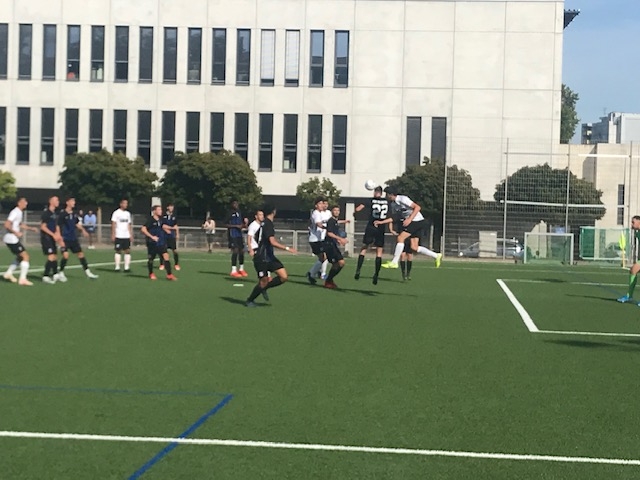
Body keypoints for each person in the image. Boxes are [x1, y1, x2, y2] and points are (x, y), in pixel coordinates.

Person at [245, 205, 297, 307]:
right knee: (263, 281)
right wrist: (287, 248)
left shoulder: (265, 223)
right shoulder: (267, 224)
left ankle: (264, 288)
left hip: (269, 257)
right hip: (261, 257)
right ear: (273, 212)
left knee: (283, 277)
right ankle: (249, 300)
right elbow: (272, 242)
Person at [377, 187, 442, 269]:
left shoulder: (402, 199)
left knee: (400, 238)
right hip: (414, 222)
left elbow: (417, 207)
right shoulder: (393, 204)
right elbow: (395, 217)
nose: (385, 196)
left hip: (416, 221)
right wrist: (381, 222)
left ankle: (394, 262)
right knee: (414, 247)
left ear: (391, 195)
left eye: (386, 194)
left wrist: (409, 219)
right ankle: (436, 255)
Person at [353, 186, 390, 285]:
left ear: (375, 192)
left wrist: (355, 211)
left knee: (364, 247)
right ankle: (376, 274)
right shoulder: (386, 202)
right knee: (379, 251)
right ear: (381, 193)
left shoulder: (371, 200)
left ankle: (358, 270)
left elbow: (359, 208)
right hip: (381, 227)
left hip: (371, 226)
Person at [57, 197, 99, 280]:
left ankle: (88, 272)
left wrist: (83, 230)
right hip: (65, 238)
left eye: (74, 201)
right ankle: (61, 272)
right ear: (67, 202)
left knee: (81, 254)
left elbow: (76, 224)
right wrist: (59, 237)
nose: (74, 203)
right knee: (66, 256)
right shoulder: (62, 214)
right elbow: (58, 226)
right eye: (72, 201)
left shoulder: (74, 214)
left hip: (73, 238)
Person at [2, 197, 37, 286]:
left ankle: (8, 273)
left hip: (12, 239)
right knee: (25, 256)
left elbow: (19, 224)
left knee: (20, 257)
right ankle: (22, 279)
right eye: (24, 202)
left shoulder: (19, 212)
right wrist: (16, 232)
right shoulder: (15, 212)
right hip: (11, 239)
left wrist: (31, 228)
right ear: (19, 203)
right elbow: (7, 224)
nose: (26, 203)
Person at [141, 205, 177, 281]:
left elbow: (163, 226)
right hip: (152, 243)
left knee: (166, 256)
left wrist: (170, 229)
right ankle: (151, 273)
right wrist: (152, 237)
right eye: (159, 210)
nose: (161, 211)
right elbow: (143, 229)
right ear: (154, 211)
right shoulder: (150, 220)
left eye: (161, 209)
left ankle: (169, 275)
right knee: (151, 259)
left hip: (161, 242)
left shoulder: (160, 219)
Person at [323, 205, 350, 289]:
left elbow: (334, 233)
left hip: (332, 244)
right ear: (332, 211)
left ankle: (329, 281)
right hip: (329, 245)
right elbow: (329, 233)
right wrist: (340, 239)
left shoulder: (335, 221)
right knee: (340, 263)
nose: (337, 212)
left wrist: (339, 240)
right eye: (335, 210)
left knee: (338, 264)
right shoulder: (331, 221)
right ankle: (328, 281)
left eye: (338, 210)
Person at [618, 215, 640, 304]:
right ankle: (629, 296)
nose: (631, 224)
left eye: (633, 222)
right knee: (633, 270)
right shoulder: (637, 232)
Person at [306, 197, 328, 284]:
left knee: (323, 257)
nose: (322, 205)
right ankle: (311, 273)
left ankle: (313, 273)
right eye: (320, 203)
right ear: (316, 205)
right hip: (314, 239)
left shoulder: (320, 213)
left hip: (318, 239)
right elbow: (318, 224)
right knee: (323, 257)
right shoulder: (316, 213)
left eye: (322, 203)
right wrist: (327, 228)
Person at [40, 195, 63, 284]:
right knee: (51, 256)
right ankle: (45, 276)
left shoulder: (55, 213)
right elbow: (43, 227)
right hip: (46, 238)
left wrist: (58, 235)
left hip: (52, 238)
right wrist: (53, 235)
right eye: (56, 200)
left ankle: (55, 274)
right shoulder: (46, 213)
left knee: (55, 256)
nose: (58, 202)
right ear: (51, 202)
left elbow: (56, 225)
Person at [226, 200, 248, 277]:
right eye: (234, 203)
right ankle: (233, 270)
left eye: (237, 203)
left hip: (239, 234)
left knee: (242, 251)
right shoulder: (229, 213)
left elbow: (242, 223)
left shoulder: (239, 212)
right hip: (232, 234)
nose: (236, 205)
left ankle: (241, 269)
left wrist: (244, 224)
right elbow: (225, 224)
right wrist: (235, 226)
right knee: (235, 250)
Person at [111, 199, 133, 272]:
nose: (126, 205)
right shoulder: (116, 213)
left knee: (127, 251)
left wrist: (130, 234)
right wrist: (113, 234)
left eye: (127, 203)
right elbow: (113, 224)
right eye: (124, 203)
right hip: (119, 235)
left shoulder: (128, 213)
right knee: (118, 251)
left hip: (126, 235)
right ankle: (117, 267)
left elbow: (129, 224)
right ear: (121, 204)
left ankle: (127, 267)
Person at [161, 203, 180, 271]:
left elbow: (176, 226)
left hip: (171, 236)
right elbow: (162, 225)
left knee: (175, 250)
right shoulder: (163, 215)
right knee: (163, 250)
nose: (172, 208)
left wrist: (177, 234)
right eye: (170, 206)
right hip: (164, 235)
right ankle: (162, 264)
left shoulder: (174, 216)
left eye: (172, 207)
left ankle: (176, 264)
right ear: (167, 207)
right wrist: (169, 229)